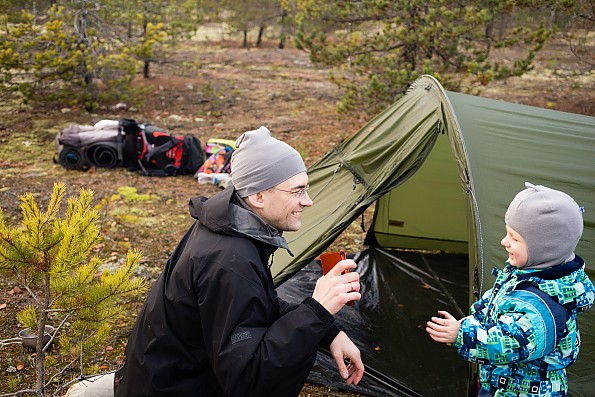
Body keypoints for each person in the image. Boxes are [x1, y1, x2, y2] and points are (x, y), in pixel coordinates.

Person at [114, 126, 365, 396]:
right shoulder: (229, 261)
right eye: (297, 191)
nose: (309, 201)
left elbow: (257, 306)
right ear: (258, 197)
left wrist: (329, 332)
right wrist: (318, 309)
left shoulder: (230, 223)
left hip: (170, 378)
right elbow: (249, 381)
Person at [426, 182, 594, 397]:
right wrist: (473, 321)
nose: (504, 242)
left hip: (524, 392)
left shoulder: (544, 307)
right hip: (502, 383)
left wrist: (462, 335)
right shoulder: (526, 273)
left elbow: (512, 344)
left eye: (515, 238)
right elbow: (498, 301)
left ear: (545, 248)